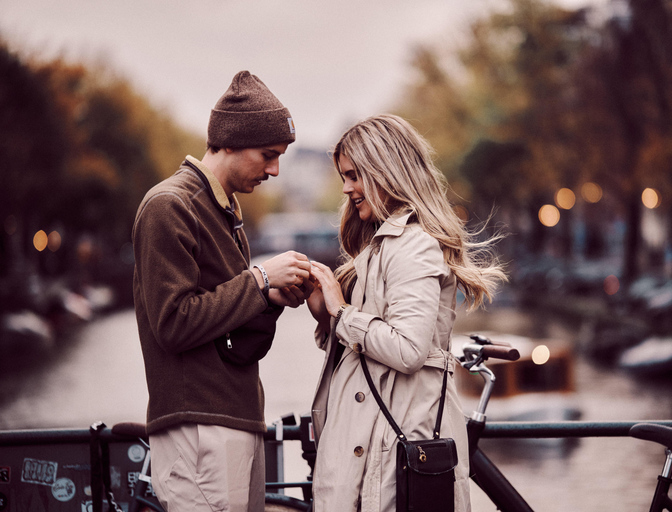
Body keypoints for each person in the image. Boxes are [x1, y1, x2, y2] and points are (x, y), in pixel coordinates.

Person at [132, 70, 312, 512]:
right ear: (229, 141)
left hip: (229, 421)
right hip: (199, 427)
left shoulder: (222, 208)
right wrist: (260, 280)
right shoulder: (169, 205)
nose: (274, 170)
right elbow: (173, 324)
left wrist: (268, 300)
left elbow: (223, 321)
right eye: (268, 155)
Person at [307, 114, 506, 511]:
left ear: (384, 170)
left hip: (393, 451)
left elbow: (408, 350)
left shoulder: (413, 245)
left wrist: (342, 311)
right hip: (374, 447)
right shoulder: (381, 246)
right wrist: (323, 313)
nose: (346, 189)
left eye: (353, 176)